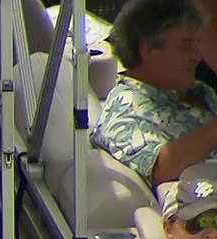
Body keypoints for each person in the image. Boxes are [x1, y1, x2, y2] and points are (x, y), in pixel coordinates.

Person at [93, 0, 217, 187]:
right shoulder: (124, 111)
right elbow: (162, 169)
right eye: (186, 44)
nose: (197, 56)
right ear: (148, 48)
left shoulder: (196, 90)